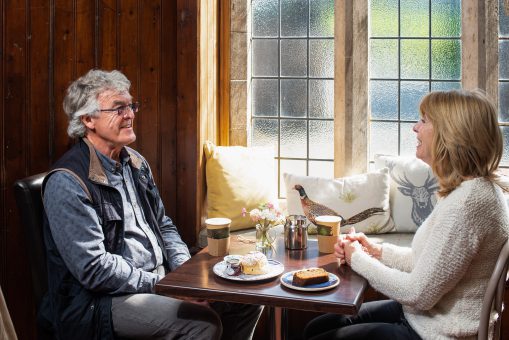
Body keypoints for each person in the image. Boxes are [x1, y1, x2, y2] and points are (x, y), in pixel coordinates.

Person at [40, 69, 263, 340]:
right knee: (202, 324)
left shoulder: (135, 163)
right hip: (101, 301)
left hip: (160, 278)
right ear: (88, 119)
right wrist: (167, 286)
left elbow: (164, 225)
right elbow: (94, 269)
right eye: (118, 108)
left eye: (131, 106)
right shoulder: (68, 181)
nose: (130, 114)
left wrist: (186, 275)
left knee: (247, 298)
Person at [304, 89, 509, 340]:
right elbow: (431, 264)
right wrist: (375, 251)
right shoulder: (469, 192)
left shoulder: (470, 203)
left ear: (451, 133)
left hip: (434, 333)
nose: (415, 128)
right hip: (423, 318)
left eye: (424, 120)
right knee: (316, 327)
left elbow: (418, 293)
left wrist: (357, 258)